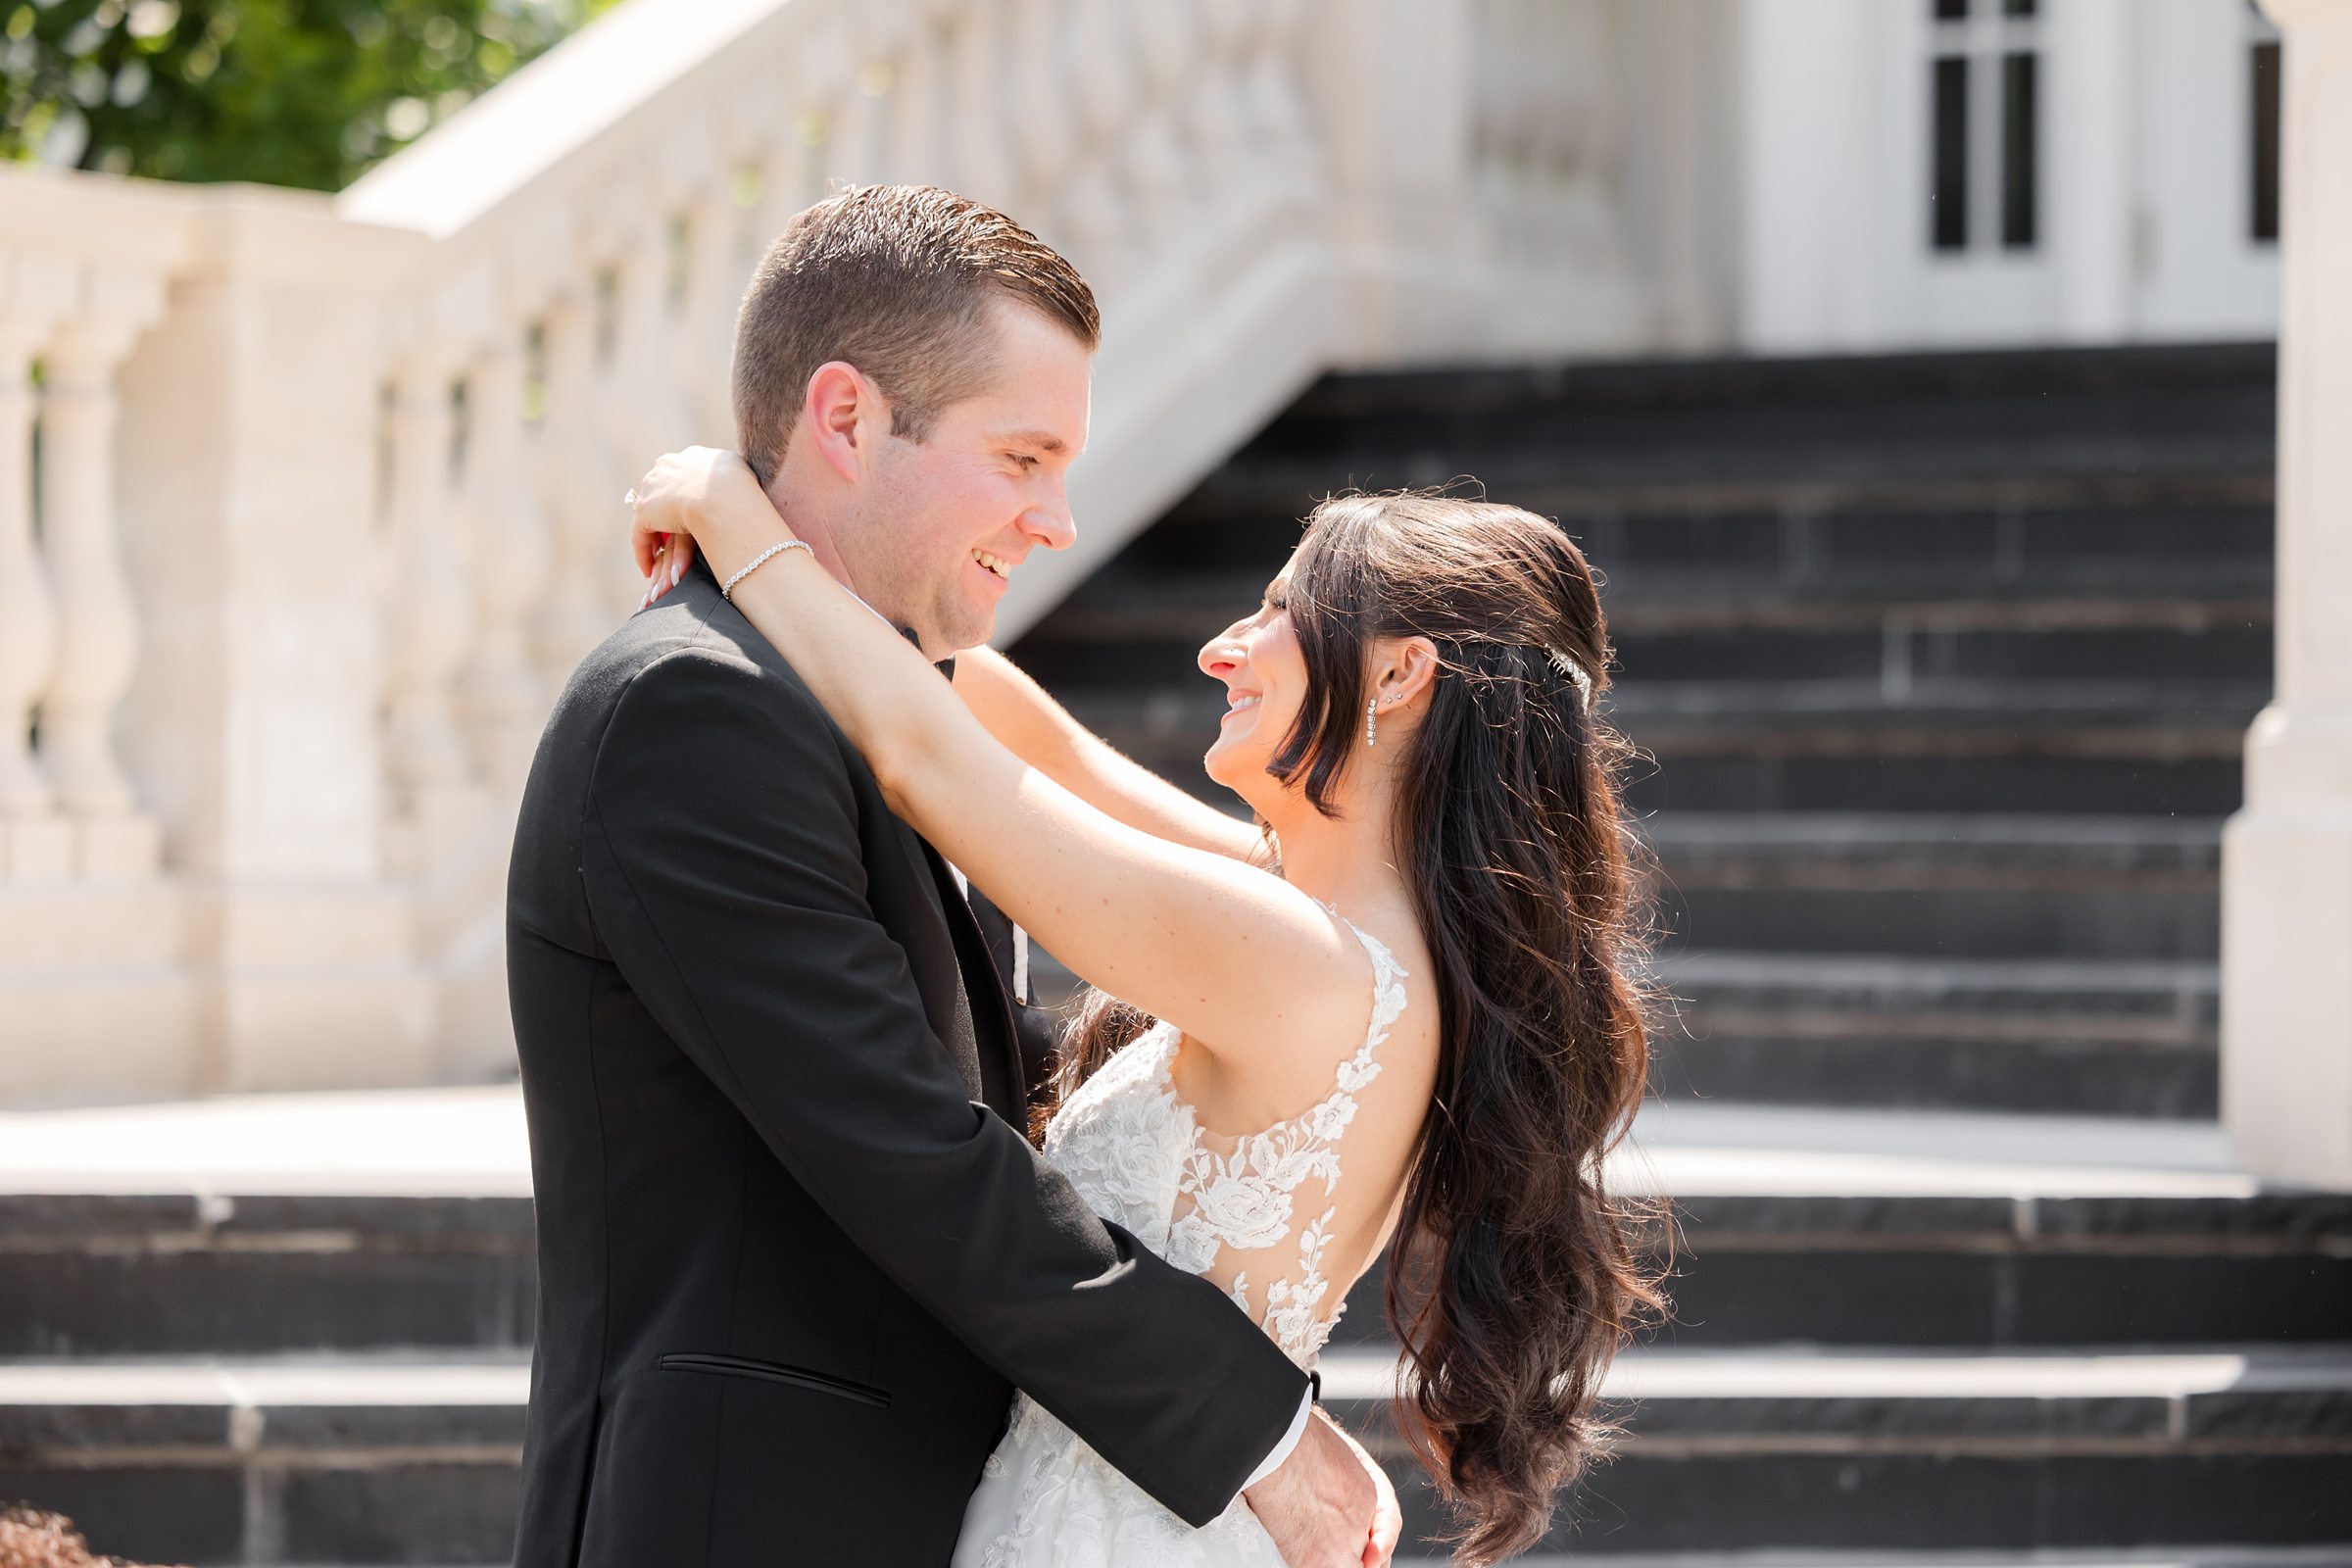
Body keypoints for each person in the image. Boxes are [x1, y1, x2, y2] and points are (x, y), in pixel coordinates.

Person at [506, 185, 1396, 1568]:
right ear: (847, 419)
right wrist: (1254, 1433)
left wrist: (741, 523)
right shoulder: (697, 710)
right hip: (753, 1520)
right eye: (1023, 458)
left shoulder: (897, 701)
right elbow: (907, 1146)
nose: (1056, 520)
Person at [630, 445, 1665, 1563]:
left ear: (1402, 675)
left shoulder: (1297, 959)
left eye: (1279, 610)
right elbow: (1048, 748)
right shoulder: (1366, 941)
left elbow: (933, 762)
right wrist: (852, 568)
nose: (1224, 646)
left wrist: (728, 510)